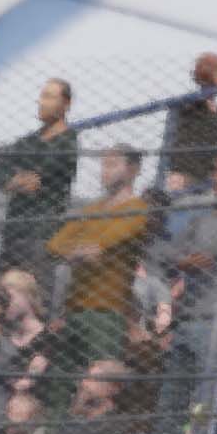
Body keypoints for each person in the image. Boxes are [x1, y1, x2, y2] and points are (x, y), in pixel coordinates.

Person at [45, 148, 155, 376]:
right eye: (104, 165)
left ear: (133, 170)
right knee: (62, 378)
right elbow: (55, 244)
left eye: (112, 164)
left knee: (100, 377)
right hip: (73, 308)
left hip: (107, 311)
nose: (105, 171)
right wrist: (81, 251)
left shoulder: (138, 209)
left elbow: (102, 243)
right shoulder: (91, 209)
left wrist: (77, 249)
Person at [0, 80, 77, 288]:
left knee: (35, 293)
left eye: (50, 97)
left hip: (42, 235)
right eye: (42, 96)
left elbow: (41, 173)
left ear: (66, 104)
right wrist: (15, 181)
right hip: (13, 232)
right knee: (0, 293)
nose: (42, 102)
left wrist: (11, 177)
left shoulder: (68, 142)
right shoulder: (28, 141)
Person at [163, 52, 217, 195]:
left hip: (206, 174)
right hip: (185, 173)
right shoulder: (194, 103)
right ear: (210, 73)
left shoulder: (214, 108)